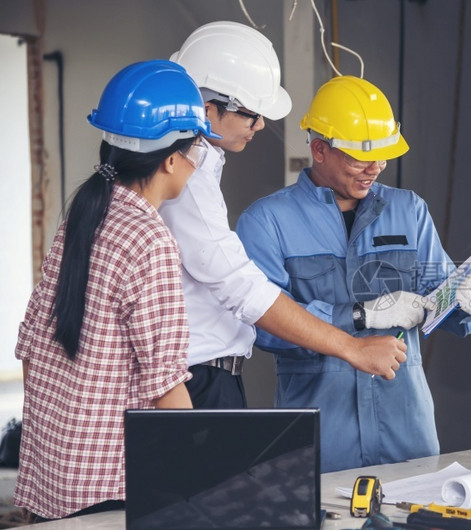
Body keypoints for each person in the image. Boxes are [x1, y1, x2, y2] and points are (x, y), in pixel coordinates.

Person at [236, 75, 471, 472]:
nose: (375, 168)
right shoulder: (267, 221)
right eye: (362, 158)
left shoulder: (409, 210)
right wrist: (360, 314)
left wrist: (468, 303)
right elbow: (264, 326)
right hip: (320, 436)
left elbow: (437, 298)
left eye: (382, 156)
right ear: (320, 149)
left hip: (407, 431)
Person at [160, 21, 405, 409]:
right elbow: (245, 292)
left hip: (209, 375)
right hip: (197, 380)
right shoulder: (193, 186)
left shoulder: (409, 209)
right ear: (207, 110)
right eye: (251, 114)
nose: (261, 125)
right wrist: (353, 337)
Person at [14, 60, 215, 520]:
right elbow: (165, 384)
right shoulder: (151, 239)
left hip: (56, 479)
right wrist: (203, 480)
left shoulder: (82, 218)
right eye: (195, 150)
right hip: (112, 489)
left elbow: (32, 349)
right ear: (170, 159)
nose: (195, 162)